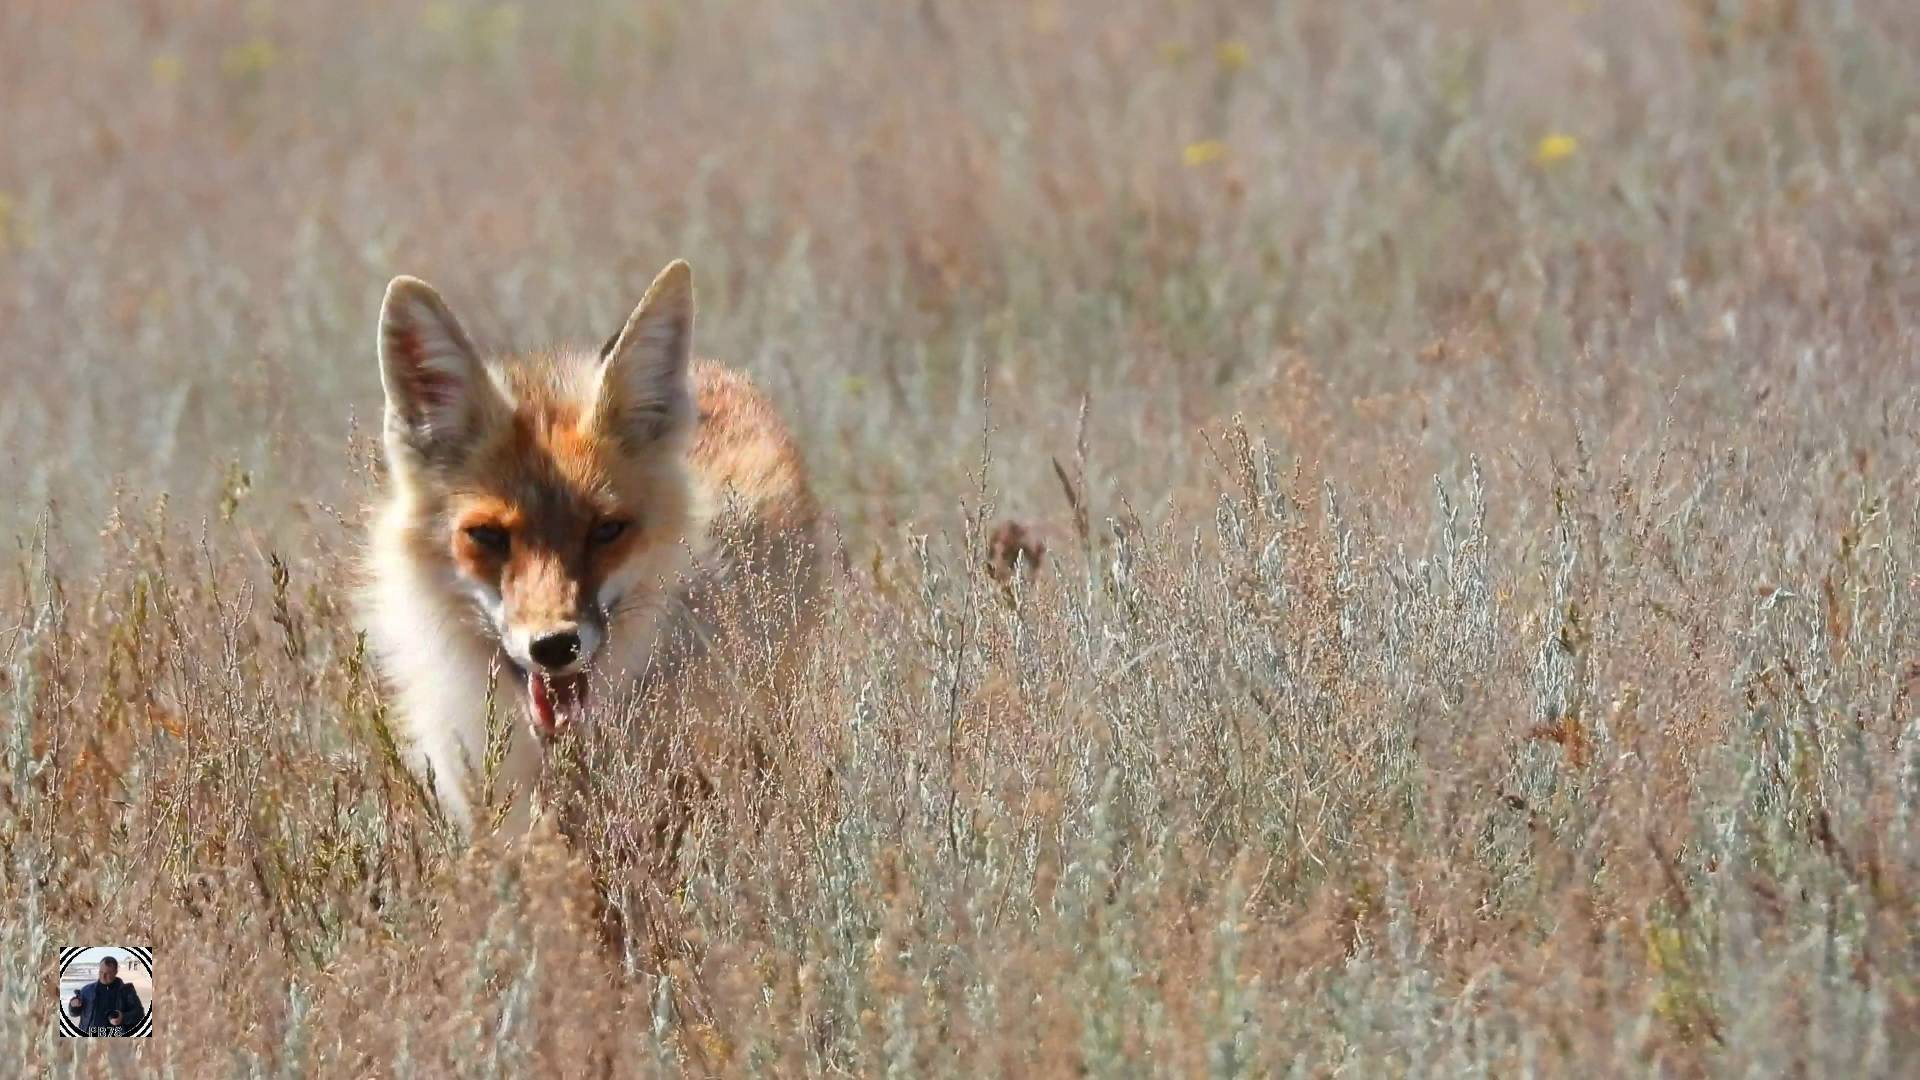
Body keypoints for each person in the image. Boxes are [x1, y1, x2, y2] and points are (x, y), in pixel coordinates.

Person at [68, 956, 143, 1036]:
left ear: (115, 972)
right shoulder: (87, 990)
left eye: (108, 973)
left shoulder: (126, 991)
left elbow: (140, 1014)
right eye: (101, 972)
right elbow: (74, 1013)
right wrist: (73, 1005)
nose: (103, 976)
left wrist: (123, 1018)